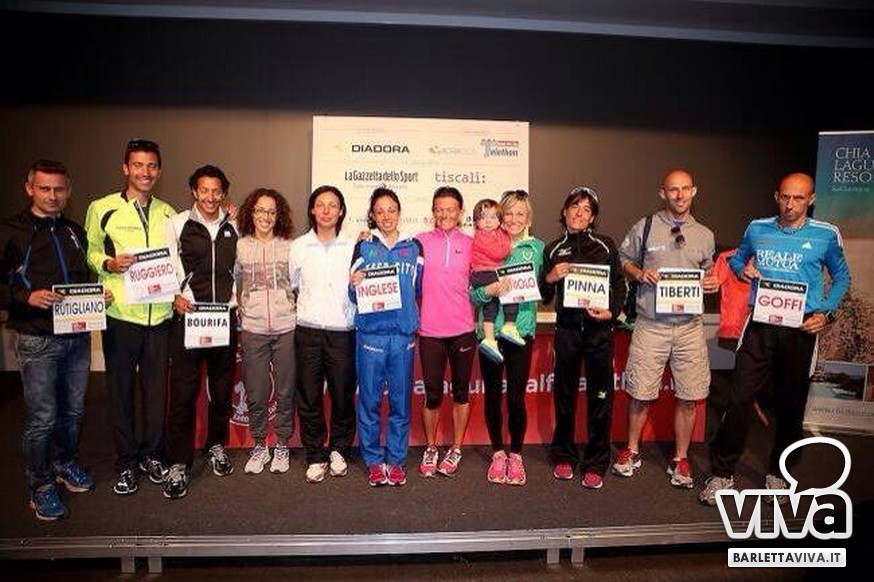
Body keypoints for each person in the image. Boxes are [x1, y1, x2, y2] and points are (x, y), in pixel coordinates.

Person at [700, 172, 851, 506]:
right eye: (785, 197)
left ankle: (779, 473)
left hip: (800, 330)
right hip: (760, 326)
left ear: (811, 199)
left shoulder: (825, 234)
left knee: (790, 405)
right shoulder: (758, 228)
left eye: (798, 198)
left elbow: (842, 277)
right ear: (776, 196)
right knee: (738, 398)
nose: (790, 205)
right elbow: (738, 259)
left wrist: (825, 313)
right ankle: (722, 474)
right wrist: (743, 270)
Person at [1, 160, 106, 520]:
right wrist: (24, 297)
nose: (52, 195)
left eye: (59, 189)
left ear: (68, 191)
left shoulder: (74, 232)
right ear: (29, 188)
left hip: (77, 337)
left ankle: (64, 463)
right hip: (37, 339)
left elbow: (85, 278)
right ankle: (40, 485)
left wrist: (99, 295)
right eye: (44, 188)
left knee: (73, 412)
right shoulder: (11, 231)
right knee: (43, 418)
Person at [612, 168, 718, 489]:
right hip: (651, 325)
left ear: (694, 191)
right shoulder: (644, 226)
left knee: (690, 395)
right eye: (673, 189)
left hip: (689, 328)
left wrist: (711, 283)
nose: (680, 195)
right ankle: (632, 450)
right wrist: (639, 273)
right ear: (663, 193)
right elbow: (623, 260)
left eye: (685, 189)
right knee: (640, 392)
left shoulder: (705, 234)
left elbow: (709, 273)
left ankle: (680, 457)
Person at [84, 139, 177, 495]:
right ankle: (126, 461)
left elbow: (177, 260)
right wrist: (108, 264)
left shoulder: (168, 213)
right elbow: (90, 251)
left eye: (152, 166)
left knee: (156, 394)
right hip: (121, 315)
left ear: (159, 171)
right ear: (125, 168)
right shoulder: (102, 208)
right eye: (138, 165)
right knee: (121, 392)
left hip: (159, 317)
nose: (145, 172)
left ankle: (153, 454)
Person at [541, 186, 625, 490]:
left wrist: (612, 312)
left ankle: (596, 461)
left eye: (586, 209)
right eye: (574, 207)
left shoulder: (605, 245)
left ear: (593, 218)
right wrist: (551, 277)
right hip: (567, 334)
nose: (579, 213)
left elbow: (620, 285)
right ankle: (563, 455)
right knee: (564, 397)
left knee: (600, 399)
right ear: (564, 212)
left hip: (599, 335)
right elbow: (544, 293)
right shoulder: (552, 249)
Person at [162, 165, 238, 499]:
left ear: (223, 193)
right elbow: (167, 266)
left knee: (221, 390)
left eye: (216, 191)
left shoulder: (234, 225)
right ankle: (178, 462)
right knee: (183, 394)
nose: (210, 197)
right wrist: (174, 297)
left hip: (224, 317)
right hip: (189, 317)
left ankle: (216, 444)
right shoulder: (177, 223)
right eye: (204, 190)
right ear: (194, 191)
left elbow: (241, 269)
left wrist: (237, 301)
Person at [350, 187, 423, 487]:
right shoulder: (363, 246)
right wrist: (355, 284)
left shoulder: (414, 247)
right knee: (368, 401)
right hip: (371, 336)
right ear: (372, 215)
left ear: (399, 212)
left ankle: (395, 461)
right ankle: (373, 461)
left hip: (403, 337)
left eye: (391, 209)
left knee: (400, 403)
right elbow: (352, 293)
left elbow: (419, 289)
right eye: (379, 211)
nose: (386, 216)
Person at [470, 190, 544, 486]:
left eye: (520, 214)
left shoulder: (537, 248)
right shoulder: (483, 243)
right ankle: (498, 453)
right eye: (509, 213)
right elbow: (474, 293)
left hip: (520, 333)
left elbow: (544, 289)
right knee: (492, 396)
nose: (513, 219)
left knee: (515, 398)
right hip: (489, 333)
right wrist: (487, 291)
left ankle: (516, 455)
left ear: (529, 218)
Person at [291, 186, 357, 484]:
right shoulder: (299, 246)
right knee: (309, 396)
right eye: (321, 205)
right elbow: (293, 285)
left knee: (343, 395)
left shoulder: (353, 245)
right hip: (308, 331)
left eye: (333, 205)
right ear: (312, 210)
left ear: (341, 211)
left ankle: (339, 449)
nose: (327, 210)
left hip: (342, 331)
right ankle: (316, 455)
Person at [234, 188, 297, 476]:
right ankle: (260, 444)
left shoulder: (290, 247)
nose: (266, 216)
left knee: (285, 391)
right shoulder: (240, 246)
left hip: (286, 327)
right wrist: (240, 306)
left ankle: (282, 444)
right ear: (251, 212)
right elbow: (233, 280)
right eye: (260, 210)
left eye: (271, 211)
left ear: (278, 215)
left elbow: (300, 283)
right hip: (253, 328)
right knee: (257, 392)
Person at [416, 186, 477, 479]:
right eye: (439, 209)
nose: (444, 214)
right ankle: (431, 448)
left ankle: (456, 448)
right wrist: (366, 239)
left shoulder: (473, 244)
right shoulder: (419, 242)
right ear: (433, 212)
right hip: (430, 331)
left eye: (450, 209)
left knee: (461, 393)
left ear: (460, 212)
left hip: (463, 330)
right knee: (432, 395)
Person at [469, 198, 523, 363]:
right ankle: (509, 325)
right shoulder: (481, 236)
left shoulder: (497, 233)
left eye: (492, 217)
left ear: (499, 220)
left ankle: (489, 339)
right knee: (509, 292)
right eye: (483, 217)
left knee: (490, 307)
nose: (488, 221)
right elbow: (498, 253)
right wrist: (508, 247)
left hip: (486, 273)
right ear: (476, 222)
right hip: (484, 273)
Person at [713, 248, 752, 352]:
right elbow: (713, 283)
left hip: (759, 326)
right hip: (734, 327)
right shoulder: (727, 258)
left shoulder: (772, 260)